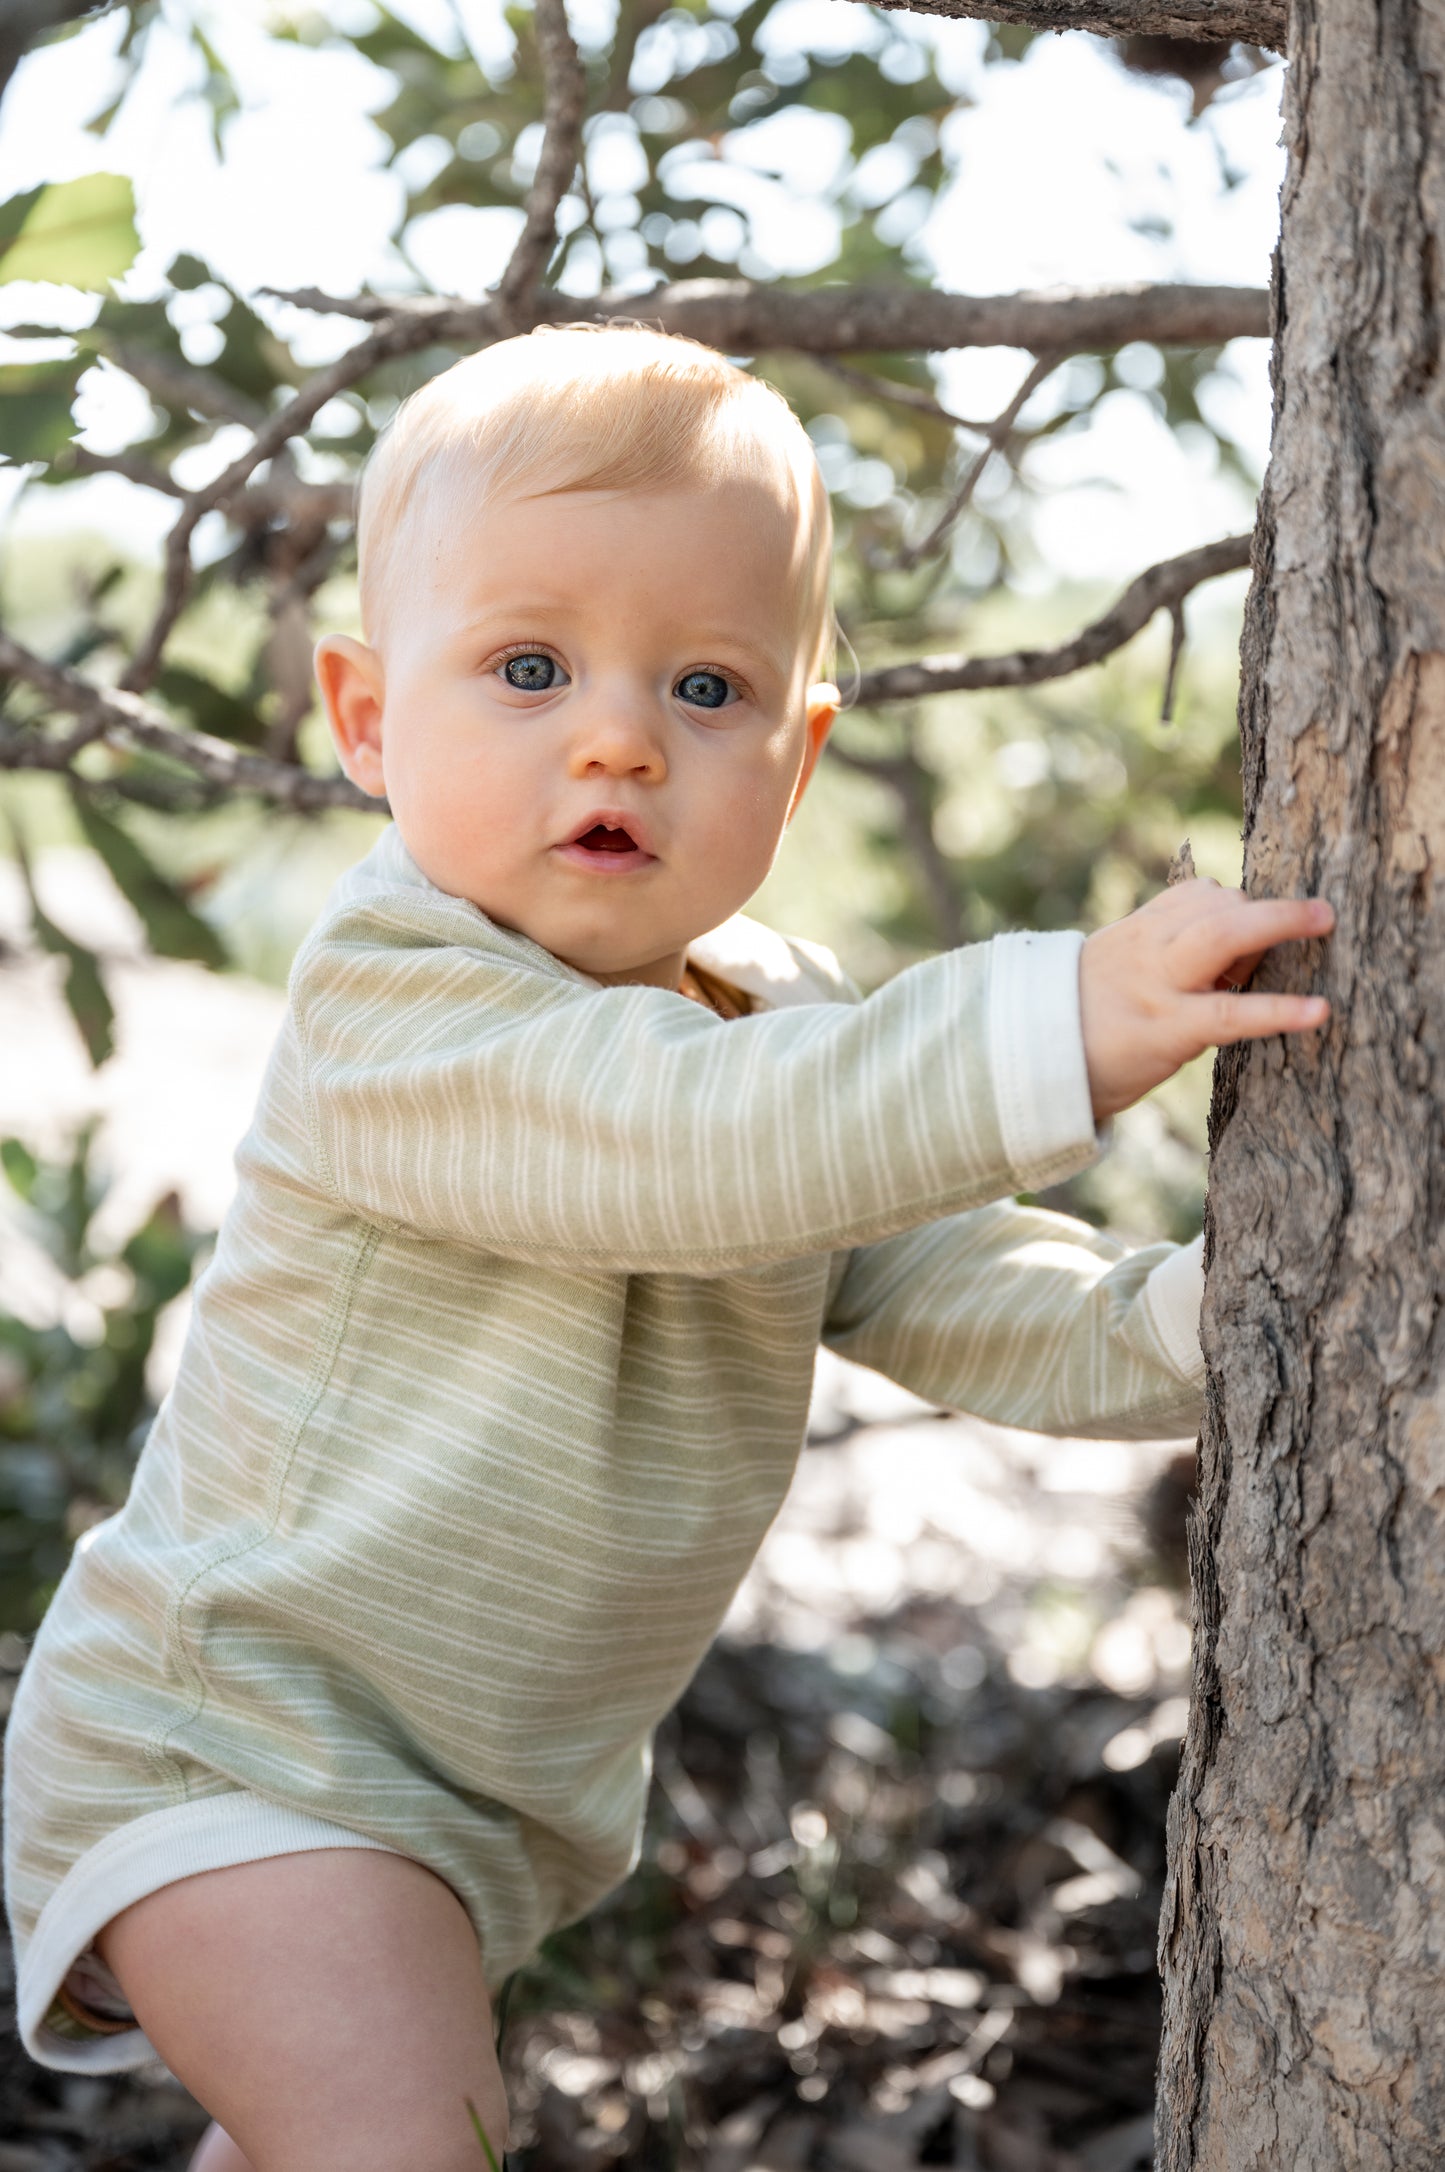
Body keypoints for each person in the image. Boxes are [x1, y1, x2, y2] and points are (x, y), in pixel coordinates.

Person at [1, 324, 1333, 2171]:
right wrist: (1061, 1020)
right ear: (369, 719)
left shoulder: (772, 1016)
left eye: (705, 687)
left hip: (477, 1807)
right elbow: (688, 1143)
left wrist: (1235, 1313)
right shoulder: (394, 1011)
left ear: (796, 766)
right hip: (239, 1742)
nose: (618, 733)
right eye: (528, 668)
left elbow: (940, 1279)